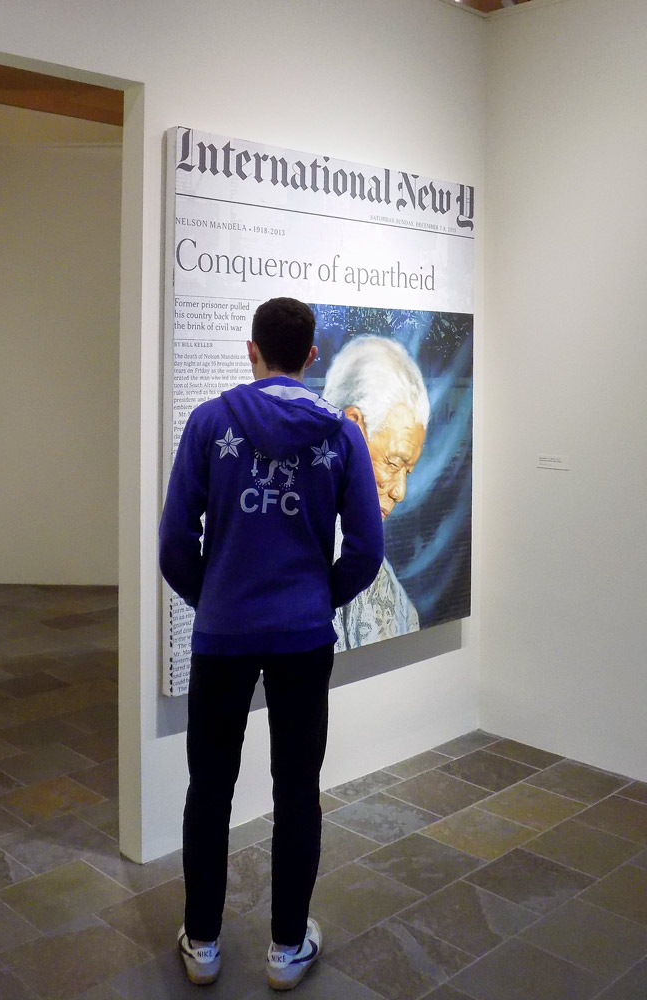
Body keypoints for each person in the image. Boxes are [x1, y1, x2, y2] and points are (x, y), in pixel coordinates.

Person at [159, 297, 383, 990]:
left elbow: (173, 545)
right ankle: (287, 950)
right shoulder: (341, 436)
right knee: (297, 787)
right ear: (311, 357)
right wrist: (319, 598)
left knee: (209, 787)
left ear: (250, 349)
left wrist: (215, 596)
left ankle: (202, 943)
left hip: (223, 637)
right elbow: (368, 551)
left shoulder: (208, 422)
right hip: (302, 637)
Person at [319, 336, 430, 649]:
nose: (401, 492)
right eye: (394, 463)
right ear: (353, 427)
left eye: (407, 472)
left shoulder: (382, 575)